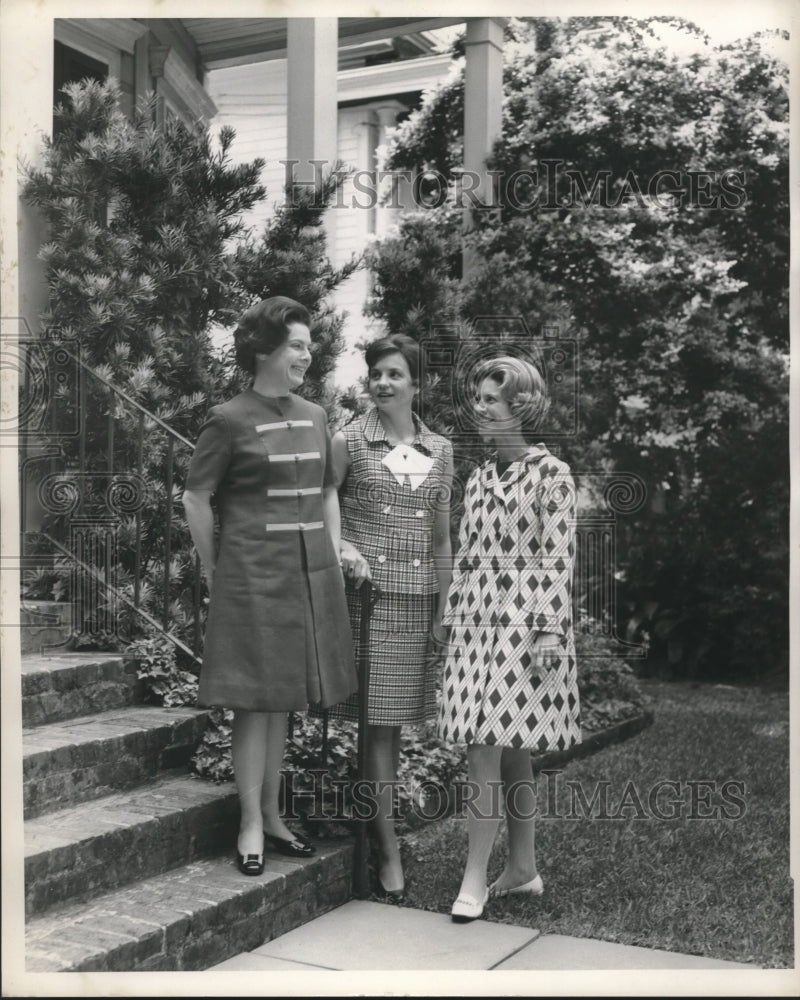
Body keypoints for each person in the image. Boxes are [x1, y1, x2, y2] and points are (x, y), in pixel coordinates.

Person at [182, 296, 358, 876]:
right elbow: (196, 497)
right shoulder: (227, 418)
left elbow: (326, 491)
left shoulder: (315, 415)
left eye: (310, 345)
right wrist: (215, 567)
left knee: (284, 702)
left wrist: (332, 552)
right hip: (252, 578)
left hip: (307, 576)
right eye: (299, 345)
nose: (309, 355)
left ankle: (274, 814)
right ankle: (250, 822)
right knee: (253, 707)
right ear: (265, 350)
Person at [438, 355, 581, 922]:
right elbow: (469, 552)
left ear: (519, 407)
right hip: (476, 622)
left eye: (491, 399)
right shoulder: (477, 477)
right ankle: (522, 869)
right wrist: (450, 615)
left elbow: (557, 556)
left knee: (486, 744)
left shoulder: (553, 475)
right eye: (479, 397)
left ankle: (474, 877)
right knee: (509, 744)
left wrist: (548, 626)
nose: (481, 406)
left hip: (526, 626)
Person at [330, 334, 453, 900]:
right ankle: (386, 849)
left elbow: (441, 534)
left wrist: (442, 607)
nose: (381, 382)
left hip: (416, 598)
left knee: (393, 730)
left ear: (416, 384)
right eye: (376, 373)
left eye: (394, 374)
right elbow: (321, 501)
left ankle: (381, 836)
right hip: (365, 599)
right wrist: (342, 548)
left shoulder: (440, 448)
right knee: (376, 729)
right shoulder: (349, 439)